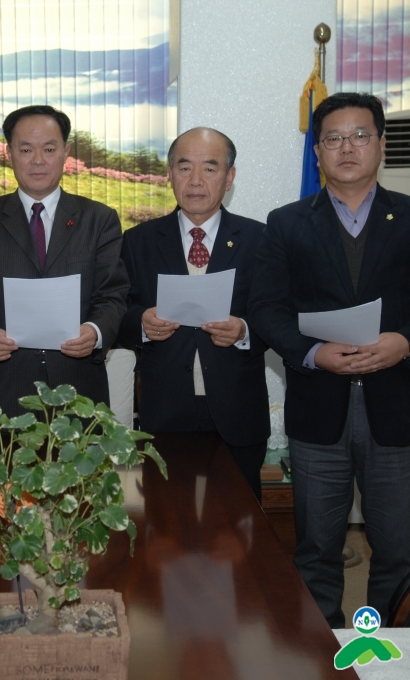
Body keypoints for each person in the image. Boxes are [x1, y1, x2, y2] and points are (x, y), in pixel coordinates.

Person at [248, 92, 410, 627]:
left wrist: (407, 343)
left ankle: (388, 651)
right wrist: (311, 353)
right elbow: (266, 308)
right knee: (317, 547)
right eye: (333, 138)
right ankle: (320, 648)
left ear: (381, 145)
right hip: (317, 408)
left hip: (397, 407)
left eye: (360, 135)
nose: (347, 147)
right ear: (318, 152)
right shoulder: (287, 222)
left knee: (396, 548)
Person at [118, 127, 269, 500]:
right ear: (168, 173)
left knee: (238, 532)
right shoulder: (138, 241)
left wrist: (244, 331)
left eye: (210, 168)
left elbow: (279, 317)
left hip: (238, 412)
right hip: (165, 412)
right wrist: (141, 323)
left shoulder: (261, 240)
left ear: (230, 177)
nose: (196, 181)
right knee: (169, 528)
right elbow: (115, 312)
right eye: (184, 168)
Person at [0, 105, 128, 414]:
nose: (37, 160)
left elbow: (112, 295)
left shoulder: (99, 219)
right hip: (7, 389)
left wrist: (95, 331)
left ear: (65, 152)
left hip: (80, 390)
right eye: (26, 149)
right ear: (9, 153)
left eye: (49, 148)